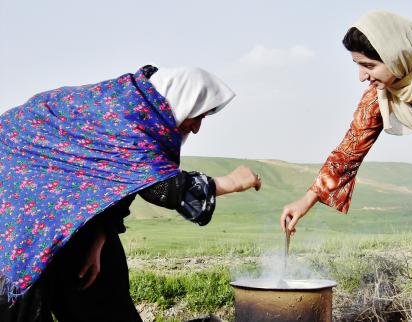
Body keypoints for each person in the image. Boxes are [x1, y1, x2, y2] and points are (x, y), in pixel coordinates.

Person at [0, 65, 262, 322]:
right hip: (19, 208)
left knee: (104, 287)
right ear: (184, 100)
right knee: (23, 300)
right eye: (199, 116)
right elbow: (163, 188)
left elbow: (111, 183)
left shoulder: (139, 108)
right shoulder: (128, 113)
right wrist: (230, 182)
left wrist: (98, 238)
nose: (196, 128)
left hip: (65, 212)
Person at [279, 11, 412, 321]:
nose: (362, 76)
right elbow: (351, 145)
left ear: (396, 56)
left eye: (369, 65)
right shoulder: (384, 91)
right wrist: (306, 201)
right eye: (358, 65)